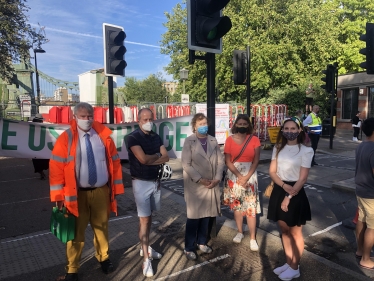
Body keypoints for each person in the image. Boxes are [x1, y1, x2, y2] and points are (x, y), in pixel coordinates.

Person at [49, 102, 124, 281]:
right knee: (76, 232)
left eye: (90, 116)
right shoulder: (66, 138)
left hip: (100, 191)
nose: (87, 119)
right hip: (77, 194)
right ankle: (72, 268)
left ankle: (103, 258)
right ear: (74, 117)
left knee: (102, 228)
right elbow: (56, 168)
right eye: (82, 116)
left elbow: (114, 162)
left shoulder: (104, 136)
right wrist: (59, 196)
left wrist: (116, 189)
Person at [267, 117, 314, 281]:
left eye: (293, 129)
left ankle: (295, 267)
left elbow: (302, 178)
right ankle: (289, 263)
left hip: (296, 192)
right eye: (286, 128)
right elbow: (272, 171)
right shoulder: (278, 147)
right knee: (284, 230)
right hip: (280, 189)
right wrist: (283, 186)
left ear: (300, 130)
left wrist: (288, 196)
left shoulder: (306, 151)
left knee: (295, 233)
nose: (289, 131)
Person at [127, 108, 169, 277]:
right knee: (144, 219)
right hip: (141, 183)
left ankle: (146, 248)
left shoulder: (155, 136)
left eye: (150, 118)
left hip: (155, 182)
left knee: (148, 217)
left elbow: (166, 157)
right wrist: (155, 157)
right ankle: (146, 259)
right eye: (145, 119)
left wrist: (152, 158)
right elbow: (142, 159)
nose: (148, 121)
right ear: (139, 121)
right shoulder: (132, 137)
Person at [181, 113, 225, 260]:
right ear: (194, 126)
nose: (203, 126)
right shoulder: (189, 141)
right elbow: (185, 164)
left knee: (206, 215)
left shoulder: (213, 140)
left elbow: (220, 161)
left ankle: (201, 242)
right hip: (196, 185)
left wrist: (217, 179)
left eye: (205, 123)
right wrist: (200, 179)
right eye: (200, 124)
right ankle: (188, 247)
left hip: (211, 184)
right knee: (193, 217)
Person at [222, 114, 261, 251]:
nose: (242, 126)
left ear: (248, 125)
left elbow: (256, 160)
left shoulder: (255, 139)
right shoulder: (229, 140)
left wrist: (247, 177)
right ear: (235, 124)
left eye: (245, 124)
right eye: (240, 123)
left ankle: (252, 238)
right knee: (237, 207)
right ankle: (239, 231)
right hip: (234, 175)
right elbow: (228, 161)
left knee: (250, 208)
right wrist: (240, 176)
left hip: (250, 175)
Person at [354, 118, 374, 270]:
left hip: (360, 189)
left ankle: (360, 250)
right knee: (373, 226)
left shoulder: (362, 145)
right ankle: (366, 259)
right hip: (371, 193)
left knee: (362, 219)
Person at [31, 113, 49, 180]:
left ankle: (42, 174)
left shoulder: (30, 126)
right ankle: (42, 174)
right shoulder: (36, 126)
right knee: (42, 161)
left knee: (37, 162)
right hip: (39, 146)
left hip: (36, 146)